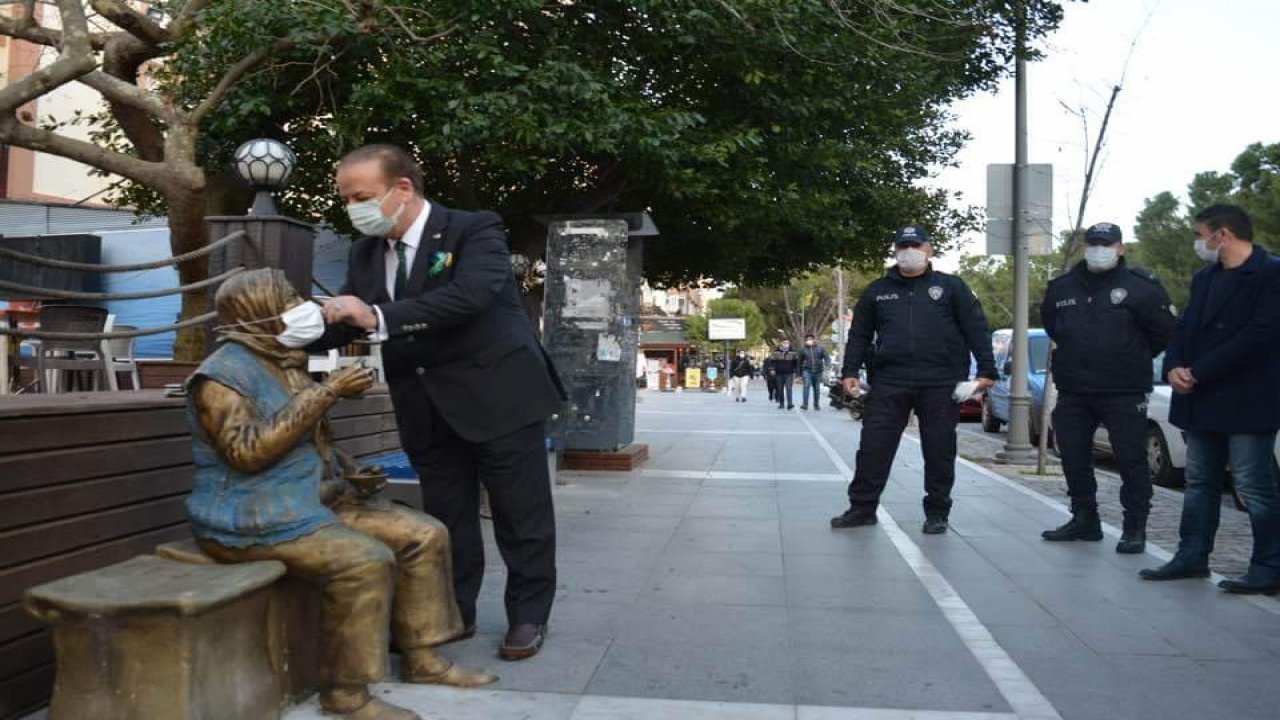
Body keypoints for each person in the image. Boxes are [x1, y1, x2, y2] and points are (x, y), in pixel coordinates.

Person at [189, 269, 495, 720]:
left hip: (311, 500)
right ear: (258, 312)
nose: (302, 308)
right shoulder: (221, 376)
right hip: (251, 513)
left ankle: (423, 658)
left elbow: (307, 441)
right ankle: (347, 693)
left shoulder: (282, 358)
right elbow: (247, 454)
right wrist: (328, 392)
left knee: (424, 534)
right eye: (288, 299)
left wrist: (348, 469)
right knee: (365, 562)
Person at [314, 144, 565, 660]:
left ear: (402, 188)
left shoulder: (474, 229)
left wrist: (376, 319)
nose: (352, 207)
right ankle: (452, 612)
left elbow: (469, 296)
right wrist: (290, 334)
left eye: (361, 196)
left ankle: (528, 616)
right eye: (346, 198)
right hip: (425, 404)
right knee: (448, 519)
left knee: (522, 516)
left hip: (499, 396)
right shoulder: (366, 253)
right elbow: (348, 320)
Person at [1141, 205, 1280, 594]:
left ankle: (1269, 566)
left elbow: (1260, 335)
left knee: (1253, 485)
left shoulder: (1271, 274)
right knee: (1200, 481)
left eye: (1201, 234)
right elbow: (1182, 329)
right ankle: (1192, 556)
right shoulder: (1206, 278)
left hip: (1249, 400)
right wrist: (1173, 367)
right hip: (1201, 401)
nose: (1198, 242)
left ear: (1223, 235)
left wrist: (1199, 371)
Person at [830, 226, 996, 534]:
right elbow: (860, 334)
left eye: (915, 245)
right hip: (890, 380)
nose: (909, 250)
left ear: (929, 249)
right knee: (873, 447)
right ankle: (862, 508)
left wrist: (987, 371)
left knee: (939, 449)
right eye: (903, 245)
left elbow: (976, 329)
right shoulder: (878, 291)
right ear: (894, 250)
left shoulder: (951, 287)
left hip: (940, 381)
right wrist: (849, 372)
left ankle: (937, 512)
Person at [1039, 222, 1175, 554]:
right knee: (1072, 456)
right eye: (1094, 243)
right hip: (1074, 388)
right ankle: (1085, 520)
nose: (1099, 249)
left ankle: (1134, 527)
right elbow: (1051, 325)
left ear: (1120, 248)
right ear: (1086, 247)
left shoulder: (1142, 287)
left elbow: (1163, 333)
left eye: (1107, 244)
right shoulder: (1063, 286)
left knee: (1131, 459)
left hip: (1124, 389)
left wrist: (1129, 356)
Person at [799, 333, 829, 411]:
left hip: (818, 371)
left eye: (811, 339)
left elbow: (826, 357)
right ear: (805, 341)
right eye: (808, 339)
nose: (809, 341)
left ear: (814, 340)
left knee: (817, 388)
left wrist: (827, 364)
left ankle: (816, 404)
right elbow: (799, 361)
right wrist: (798, 373)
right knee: (806, 386)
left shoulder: (820, 348)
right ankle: (805, 404)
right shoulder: (803, 349)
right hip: (807, 370)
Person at [769, 340, 799, 410]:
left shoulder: (793, 353)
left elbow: (796, 363)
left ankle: (790, 404)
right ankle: (781, 403)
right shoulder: (775, 353)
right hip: (779, 373)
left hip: (789, 373)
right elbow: (772, 362)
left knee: (789, 388)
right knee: (780, 389)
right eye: (784, 343)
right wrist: (772, 369)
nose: (786, 344)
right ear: (781, 344)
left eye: (787, 343)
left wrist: (796, 372)